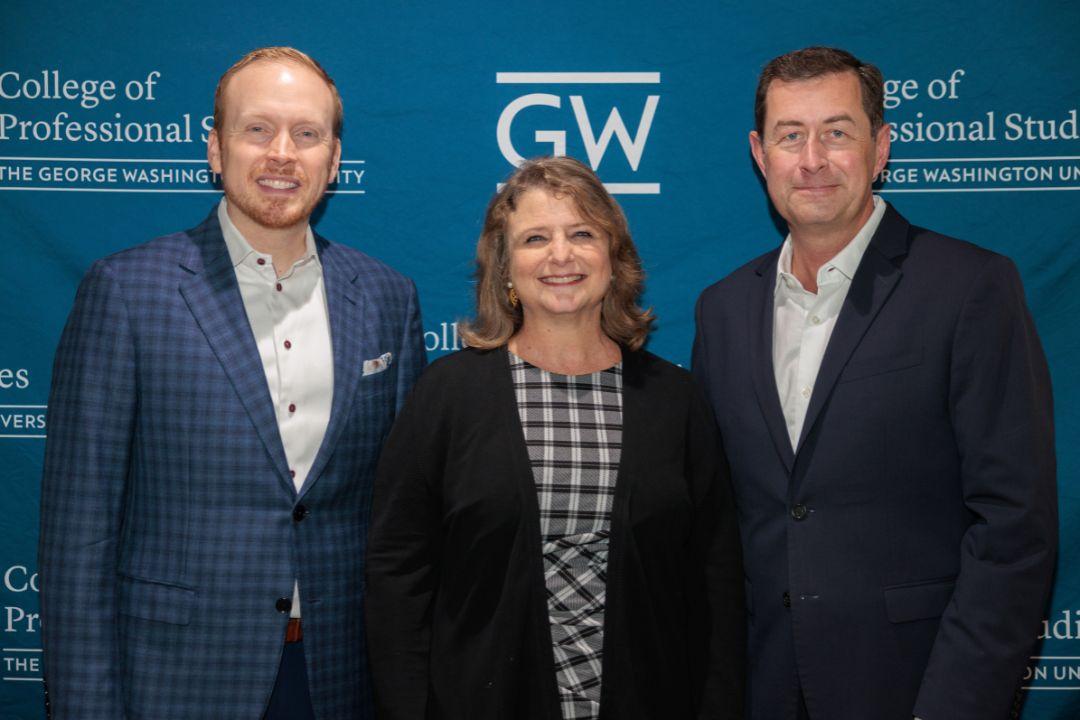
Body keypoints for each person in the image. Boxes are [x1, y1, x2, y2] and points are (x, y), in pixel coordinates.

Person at [38, 47, 425, 719]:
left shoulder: (388, 297)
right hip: (177, 675)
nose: (282, 153)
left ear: (333, 160)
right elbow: (78, 536)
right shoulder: (127, 292)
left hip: (343, 675)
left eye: (306, 134)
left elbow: (404, 516)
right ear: (216, 148)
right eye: (257, 130)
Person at [692, 46, 1057, 720]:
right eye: (790, 135)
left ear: (881, 147)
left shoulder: (969, 287)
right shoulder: (722, 311)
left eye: (837, 132)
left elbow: (1014, 526)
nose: (812, 159)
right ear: (759, 152)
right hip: (761, 690)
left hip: (916, 689)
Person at [366, 156, 745, 720]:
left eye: (582, 234)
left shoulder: (675, 401)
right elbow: (398, 575)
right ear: (504, 269)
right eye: (535, 238)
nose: (560, 255)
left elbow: (714, 580)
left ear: (615, 260)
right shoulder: (446, 397)